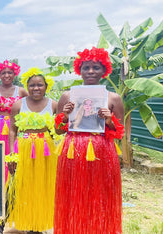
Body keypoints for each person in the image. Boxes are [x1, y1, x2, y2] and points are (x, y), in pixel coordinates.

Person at [54, 47, 124, 233]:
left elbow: (120, 132)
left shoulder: (113, 98)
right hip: (73, 150)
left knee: (101, 194)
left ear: (104, 70)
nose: (91, 71)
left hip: (102, 151)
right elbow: (59, 130)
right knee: (73, 194)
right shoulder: (68, 96)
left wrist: (108, 120)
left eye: (96, 67)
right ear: (80, 70)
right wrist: (65, 115)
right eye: (86, 68)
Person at [0, 67, 58, 234]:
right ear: (27, 86)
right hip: (22, 148)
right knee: (14, 186)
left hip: (45, 151)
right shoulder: (18, 105)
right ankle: (1, 223)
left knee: (40, 186)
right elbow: (13, 130)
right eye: (32, 85)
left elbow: (58, 130)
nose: (36, 88)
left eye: (40, 85)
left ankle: (34, 225)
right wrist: (12, 156)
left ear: (46, 86)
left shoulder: (53, 105)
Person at [0, 60, 27, 183]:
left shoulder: (21, 91)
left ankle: (12, 189)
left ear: (15, 74)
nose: (6, 75)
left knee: (13, 159)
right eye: (3, 73)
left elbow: (31, 107)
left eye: (10, 72)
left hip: (14, 130)